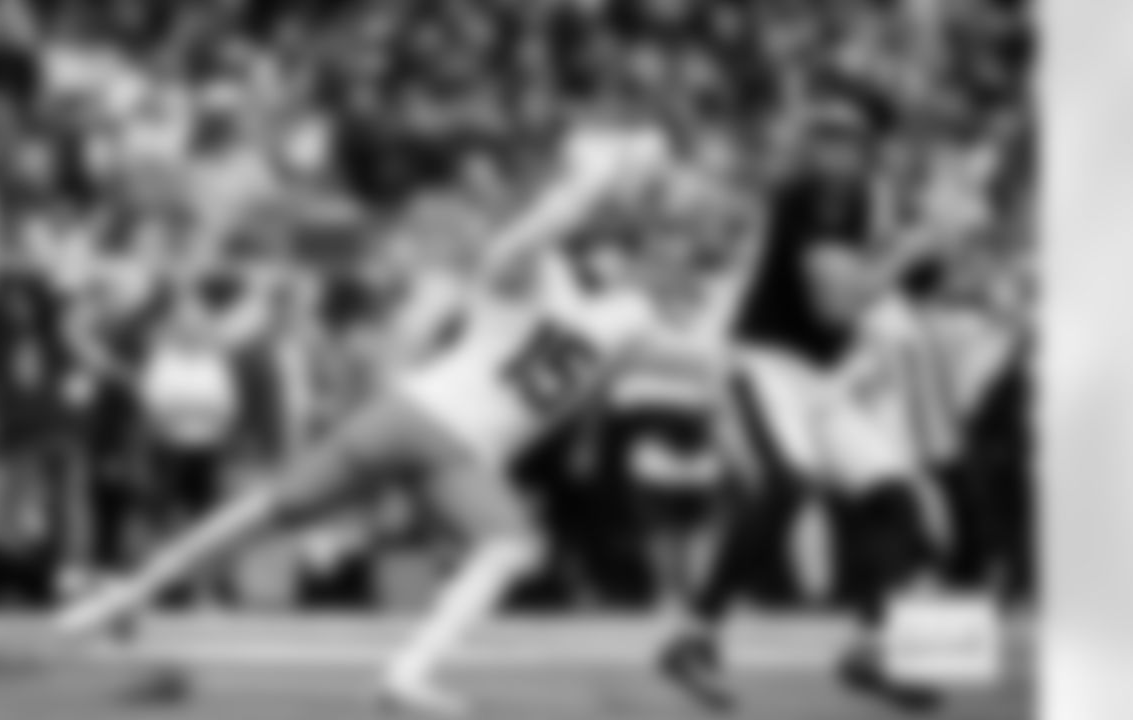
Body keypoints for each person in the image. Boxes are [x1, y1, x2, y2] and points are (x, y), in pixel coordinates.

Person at [54, 124, 685, 715]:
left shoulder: (548, 284)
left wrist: (594, 176)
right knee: (510, 546)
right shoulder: (614, 320)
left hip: (402, 413)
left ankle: (125, 594)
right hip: (459, 444)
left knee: (269, 508)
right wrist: (608, 177)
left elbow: (545, 232)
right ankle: (408, 671)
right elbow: (690, 351)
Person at [659, 95, 959, 713]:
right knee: (783, 486)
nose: (831, 151)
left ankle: (872, 647)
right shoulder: (807, 198)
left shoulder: (872, 196)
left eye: (844, 140)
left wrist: (935, 242)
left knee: (896, 498)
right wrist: (919, 243)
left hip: (828, 377)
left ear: (869, 147)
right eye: (823, 138)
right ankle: (694, 634)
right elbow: (836, 306)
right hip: (766, 364)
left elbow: (918, 285)